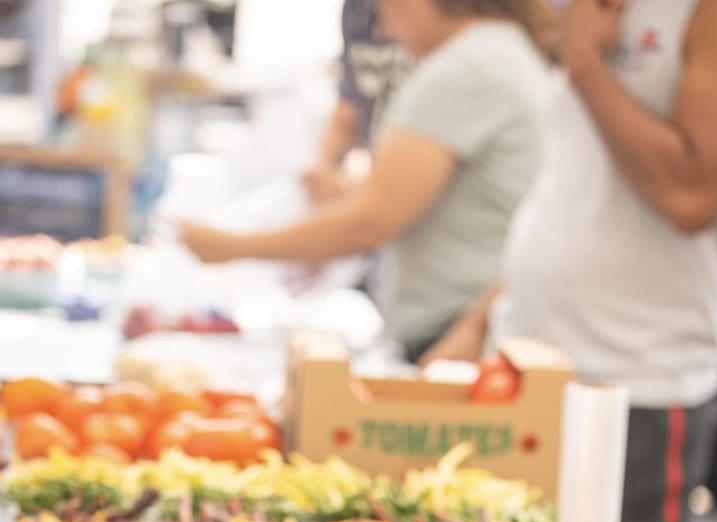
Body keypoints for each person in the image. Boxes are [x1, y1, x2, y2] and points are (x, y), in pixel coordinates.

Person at [424, 0, 717, 522]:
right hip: (527, 364)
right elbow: (578, 192)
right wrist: (482, 318)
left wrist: (583, 63)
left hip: (636, 383)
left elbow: (692, 195)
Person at [179, 0, 551, 363]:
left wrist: (230, 246)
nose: (384, 29)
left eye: (383, 8)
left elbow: (369, 222)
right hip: (471, 329)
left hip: (461, 335)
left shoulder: (468, 68)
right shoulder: (496, 53)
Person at [302, 0, 411, 203]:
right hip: (378, 175)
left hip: (415, 183)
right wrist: (324, 169)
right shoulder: (356, 9)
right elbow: (348, 111)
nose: (382, 31)